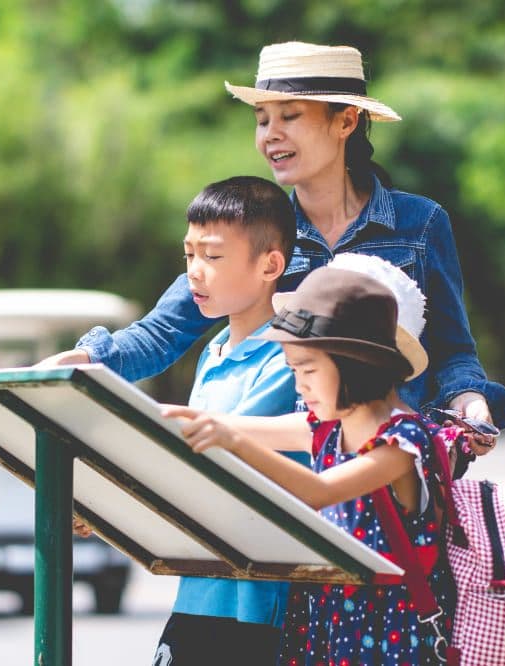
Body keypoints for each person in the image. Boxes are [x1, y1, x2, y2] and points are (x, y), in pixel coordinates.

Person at [39, 41, 505, 447]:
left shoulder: (420, 223)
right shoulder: (256, 229)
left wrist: (469, 403)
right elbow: (164, 331)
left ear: (346, 121)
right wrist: (81, 360)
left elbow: (452, 349)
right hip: (287, 471)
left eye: (289, 116)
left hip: (391, 463)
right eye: (262, 119)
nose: (271, 135)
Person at [165, 260, 458, 665]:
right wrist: (184, 421)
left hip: (389, 648)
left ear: (354, 363)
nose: (299, 385)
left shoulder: (402, 443)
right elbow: (238, 425)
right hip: (330, 638)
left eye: (307, 370)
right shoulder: (326, 430)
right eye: (293, 370)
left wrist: (232, 441)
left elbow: (318, 491)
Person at [149, 175, 302, 665]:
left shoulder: (288, 358)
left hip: (254, 600)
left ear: (270, 265)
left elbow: (211, 457)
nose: (195, 272)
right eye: (189, 255)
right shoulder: (212, 352)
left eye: (213, 257)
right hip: (199, 586)